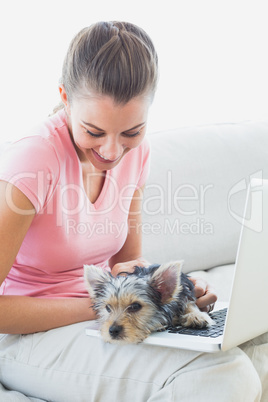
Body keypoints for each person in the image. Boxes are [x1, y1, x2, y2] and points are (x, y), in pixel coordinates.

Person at [0, 21, 265, 402]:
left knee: (240, 354)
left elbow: (127, 263)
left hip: (105, 317)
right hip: (26, 336)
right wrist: (100, 308)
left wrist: (169, 295)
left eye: (131, 132)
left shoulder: (137, 153)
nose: (112, 152)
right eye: (93, 132)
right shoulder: (32, 159)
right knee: (225, 376)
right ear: (65, 97)